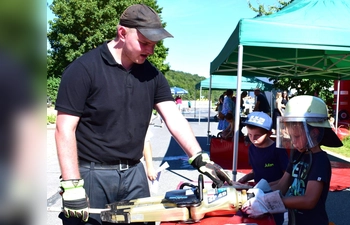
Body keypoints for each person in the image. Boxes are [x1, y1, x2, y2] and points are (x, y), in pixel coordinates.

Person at [54, 4, 232, 225]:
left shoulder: (152, 75)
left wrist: (199, 157)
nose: (150, 50)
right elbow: (64, 128)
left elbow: (174, 118)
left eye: (154, 45)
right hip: (92, 175)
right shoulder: (83, 69)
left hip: (134, 175)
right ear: (122, 33)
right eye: (144, 43)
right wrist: (72, 184)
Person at [242, 95, 343, 225]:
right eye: (291, 136)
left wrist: (267, 202)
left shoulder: (320, 161)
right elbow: (281, 185)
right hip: (294, 220)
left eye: (297, 136)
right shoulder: (297, 155)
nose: (293, 142)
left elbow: (309, 200)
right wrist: (256, 193)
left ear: (314, 133)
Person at [237, 111, 288, 225]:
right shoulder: (251, 148)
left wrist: (270, 188)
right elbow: (256, 170)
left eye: (257, 136)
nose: (253, 139)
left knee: (275, 220)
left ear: (269, 133)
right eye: (250, 135)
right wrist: (244, 179)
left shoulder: (277, 149)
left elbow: (287, 176)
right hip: (257, 195)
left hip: (275, 194)